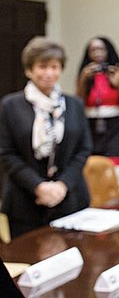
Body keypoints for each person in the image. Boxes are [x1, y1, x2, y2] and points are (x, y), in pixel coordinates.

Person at [0, 37, 92, 239]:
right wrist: (39, 187)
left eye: (55, 67)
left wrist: (61, 186)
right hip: (25, 202)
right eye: (42, 67)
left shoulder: (74, 104)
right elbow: (7, 153)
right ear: (29, 70)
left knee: (75, 264)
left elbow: (84, 149)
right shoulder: (10, 105)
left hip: (70, 199)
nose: (49, 73)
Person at [76, 36, 119, 164]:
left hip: (116, 126)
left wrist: (118, 85)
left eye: (101, 49)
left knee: (115, 163)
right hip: (90, 124)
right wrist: (83, 80)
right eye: (93, 50)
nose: (97, 53)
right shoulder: (85, 74)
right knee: (93, 164)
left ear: (109, 51)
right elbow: (77, 104)